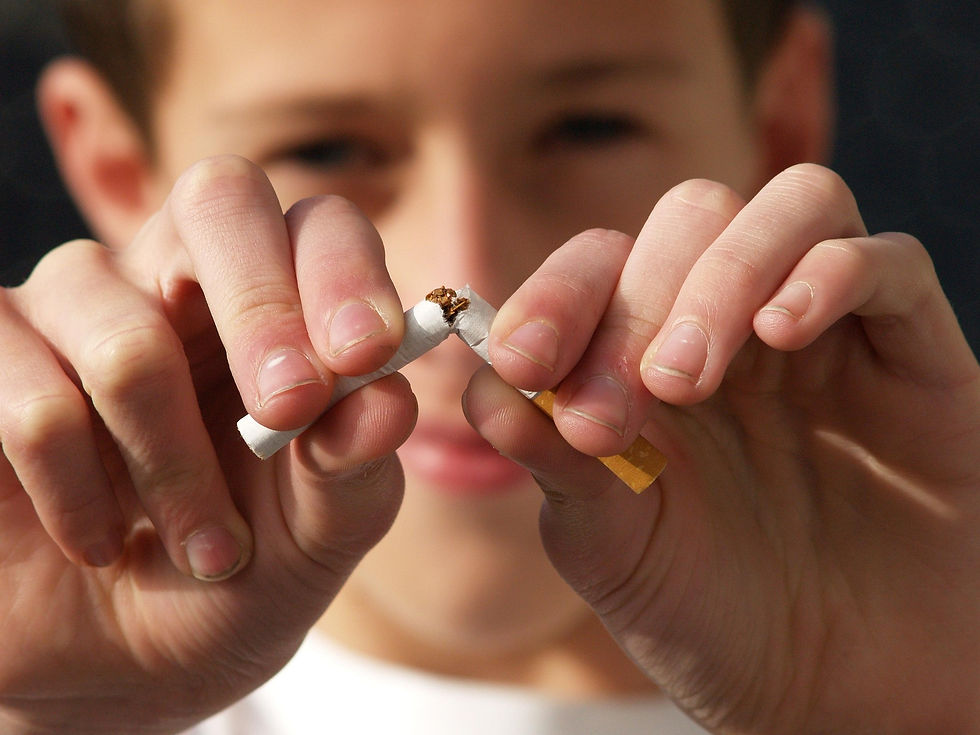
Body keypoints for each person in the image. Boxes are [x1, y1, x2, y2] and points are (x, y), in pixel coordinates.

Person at [1, 0, 978, 732]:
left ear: (776, 126)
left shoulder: (932, 658)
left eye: (589, 127)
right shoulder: (67, 684)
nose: (467, 274)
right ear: (119, 173)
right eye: (325, 146)